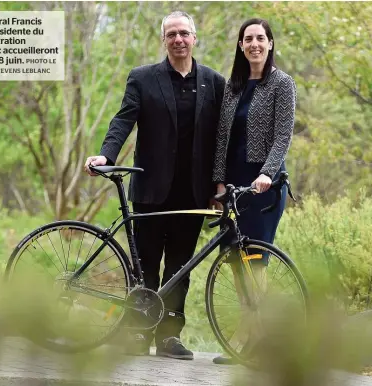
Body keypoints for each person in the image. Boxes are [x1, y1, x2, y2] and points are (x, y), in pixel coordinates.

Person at [84, 11, 225, 360]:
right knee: (145, 263)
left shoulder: (214, 82)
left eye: (184, 33)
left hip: (192, 191)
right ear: (163, 40)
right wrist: (106, 154)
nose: (178, 40)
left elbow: (223, 137)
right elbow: (123, 120)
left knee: (180, 267)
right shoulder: (143, 78)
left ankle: (168, 338)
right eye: (171, 34)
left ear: (195, 38)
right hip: (150, 188)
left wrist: (225, 181)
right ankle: (137, 333)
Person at [211, 18, 297, 365]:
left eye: (260, 38)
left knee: (255, 262)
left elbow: (283, 136)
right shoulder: (232, 87)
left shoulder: (282, 84)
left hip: (262, 188)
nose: (254, 44)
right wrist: (218, 182)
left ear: (270, 43)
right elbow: (220, 139)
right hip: (233, 186)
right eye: (248, 39)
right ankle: (254, 337)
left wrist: (266, 173)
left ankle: (253, 340)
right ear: (241, 46)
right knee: (235, 261)